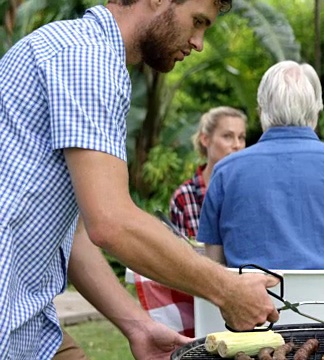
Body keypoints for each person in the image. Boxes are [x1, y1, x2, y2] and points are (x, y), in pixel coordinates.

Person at [0, 0, 280, 358]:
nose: (199, 43)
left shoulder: (80, 50)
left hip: (26, 320)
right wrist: (226, 288)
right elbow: (112, 222)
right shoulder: (87, 58)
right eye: (197, 22)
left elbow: (75, 234)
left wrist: (137, 324)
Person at [197, 60, 324, 325]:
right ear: (316, 110)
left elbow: (215, 269)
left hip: (252, 331)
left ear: (261, 110)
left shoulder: (225, 172)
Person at [170, 106, 247, 238]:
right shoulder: (184, 197)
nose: (237, 145)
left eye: (241, 137)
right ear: (205, 139)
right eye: (228, 136)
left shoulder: (251, 190)